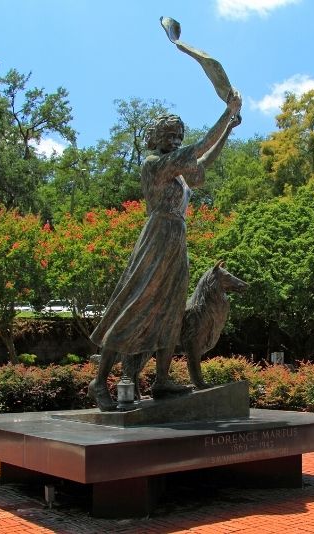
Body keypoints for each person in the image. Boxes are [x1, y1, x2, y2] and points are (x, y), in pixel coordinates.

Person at [88, 90, 242, 411]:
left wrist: (228, 129)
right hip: (158, 236)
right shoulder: (154, 164)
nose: (173, 139)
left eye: (177, 135)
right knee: (136, 305)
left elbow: (202, 161)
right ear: (156, 137)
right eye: (168, 135)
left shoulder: (179, 173)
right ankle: (99, 381)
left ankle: (162, 379)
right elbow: (197, 149)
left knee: (172, 311)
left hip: (177, 238)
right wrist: (227, 112)